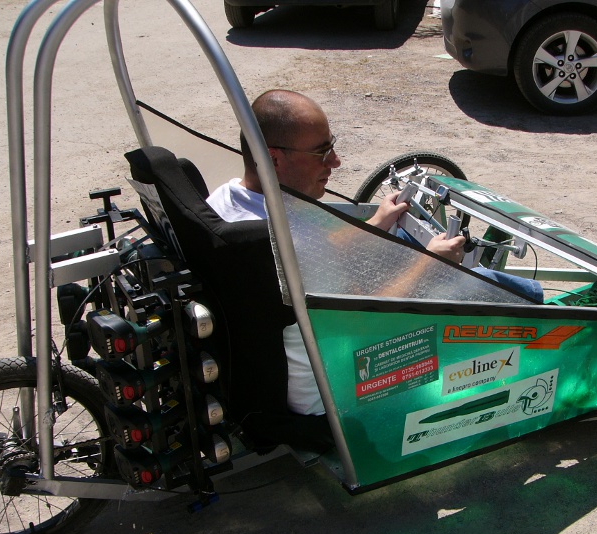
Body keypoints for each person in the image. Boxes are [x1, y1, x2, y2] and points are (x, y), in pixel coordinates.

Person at [207, 89, 542, 418]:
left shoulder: (228, 202)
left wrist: (377, 223)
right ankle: (546, 323)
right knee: (470, 286)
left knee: (404, 250)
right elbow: (365, 317)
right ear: (274, 159)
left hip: (276, 363)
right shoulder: (289, 239)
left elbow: (324, 251)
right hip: (333, 387)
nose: (335, 162)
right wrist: (430, 263)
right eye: (322, 153)